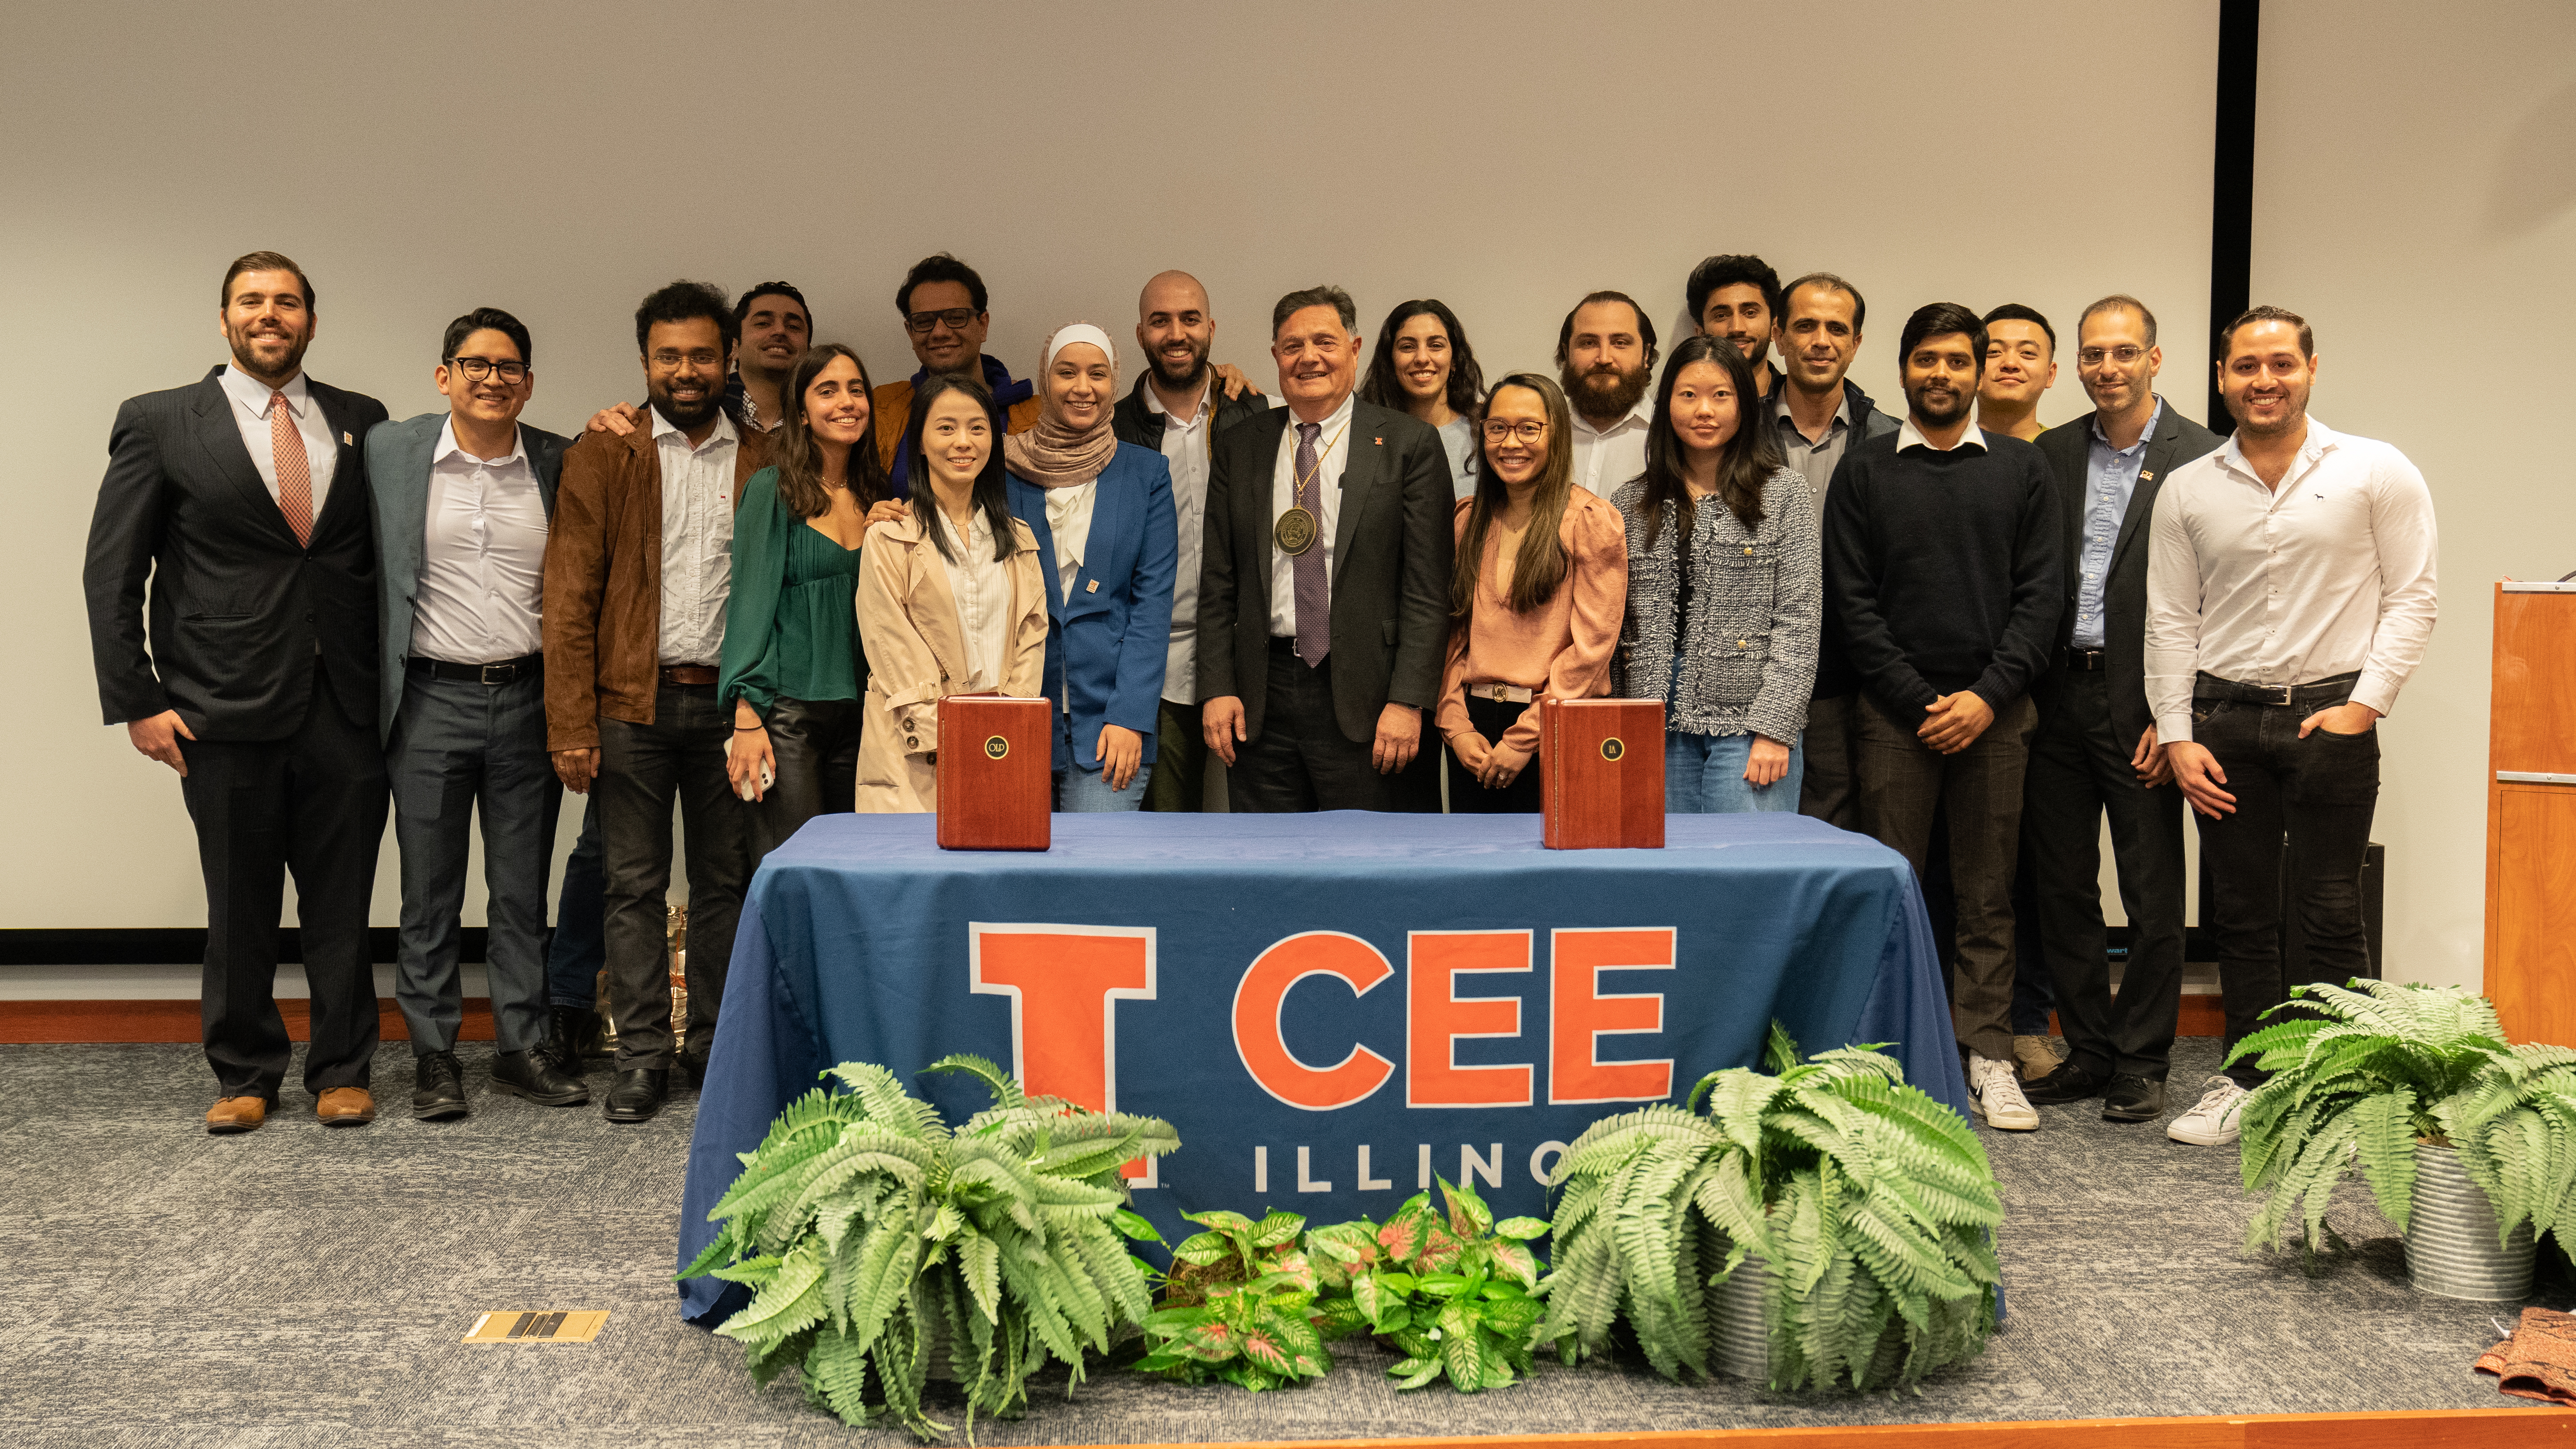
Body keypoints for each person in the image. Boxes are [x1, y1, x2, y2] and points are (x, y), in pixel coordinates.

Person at [85, 252, 391, 1133]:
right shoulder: (159, 423)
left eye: (287, 302)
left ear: (311, 321)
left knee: (342, 904)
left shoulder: (360, 420)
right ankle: (246, 1072)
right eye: (253, 301)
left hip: (343, 705)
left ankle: (342, 1069)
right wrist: (137, 699)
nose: (271, 314)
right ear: (225, 320)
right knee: (240, 902)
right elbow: (113, 571)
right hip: (218, 708)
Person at [2146, 305, 2438, 1148]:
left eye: (2281, 364)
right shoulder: (2191, 487)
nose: (2263, 380)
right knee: (2239, 914)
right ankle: (2249, 1077)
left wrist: (2365, 706)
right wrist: (2176, 732)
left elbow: (2412, 595)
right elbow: (2169, 618)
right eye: (2246, 366)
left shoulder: (2375, 470)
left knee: (2329, 908)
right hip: (2223, 721)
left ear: (2312, 369)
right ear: (2221, 375)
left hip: (2332, 715)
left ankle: (2347, 1092)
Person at [1823, 302, 2062, 1133]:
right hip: (1895, 716)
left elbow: (2042, 600)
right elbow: (1850, 601)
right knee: (1895, 886)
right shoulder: (1865, 471)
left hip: (1996, 714)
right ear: (1902, 371)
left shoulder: (2022, 470)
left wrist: (1984, 697)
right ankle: (1891, 1058)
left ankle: (1988, 1056)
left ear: (1978, 371)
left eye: (1958, 362)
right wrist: (1920, 699)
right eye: (1927, 361)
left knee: (1990, 894)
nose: (1941, 376)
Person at [544, 280, 771, 1124]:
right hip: (629, 707)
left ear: (729, 360)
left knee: (725, 881)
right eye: (669, 356)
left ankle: (709, 1044)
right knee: (631, 885)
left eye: (703, 355)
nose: (686, 370)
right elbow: (569, 594)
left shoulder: (764, 459)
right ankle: (639, 1056)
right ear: (645, 361)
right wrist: (570, 722)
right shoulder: (605, 453)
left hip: (728, 708)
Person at [366, 307, 586, 1120]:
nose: (492, 379)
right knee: (428, 893)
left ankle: (521, 1048)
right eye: (474, 364)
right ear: (444, 376)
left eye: (508, 367)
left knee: (521, 892)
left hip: (528, 699)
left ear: (528, 382)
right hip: (427, 699)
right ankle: (434, 1058)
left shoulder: (559, 462)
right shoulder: (394, 451)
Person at [2014, 295, 2221, 1126]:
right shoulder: (2052, 452)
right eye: (2094, 354)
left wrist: (2174, 717)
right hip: (2056, 694)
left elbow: (2218, 602)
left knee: (2150, 890)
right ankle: (2090, 1049)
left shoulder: (2204, 454)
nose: (2108, 368)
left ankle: (2142, 1060)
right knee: (2061, 885)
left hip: (2144, 703)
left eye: (2123, 353)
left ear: (2154, 359)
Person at [1198, 285, 1453, 812]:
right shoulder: (1240, 447)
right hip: (1260, 697)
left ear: (1355, 349)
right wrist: (1217, 686)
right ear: (1275, 357)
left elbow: (1428, 591)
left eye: (1325, 342)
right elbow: (1219, 581)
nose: (1308, 357)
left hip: (1369, 694)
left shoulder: (1408, 444)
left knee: (1370, 868)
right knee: (1270, 864)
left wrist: (1408, 700)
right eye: (1292, 346)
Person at [1613, 335, 1819, 812]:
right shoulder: (1629, 502)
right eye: (1688, 395)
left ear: (1745, 405)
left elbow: (1800, 619)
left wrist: (1775, 727)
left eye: (1721, 395)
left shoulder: (1783, 494)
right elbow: (1616, 625)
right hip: (1653, 718)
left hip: (1750, 719)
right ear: (1667, 405)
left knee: (1748, 869)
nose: (1704, 409)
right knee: (1667, 870)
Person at [720, 344, 908, 858]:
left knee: (854, 868)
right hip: (788, 717)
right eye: (827, 391)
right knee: (795, 867)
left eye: (855, 390)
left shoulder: (878, 493)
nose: (846, 402)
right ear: (802, 412)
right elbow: (750, 607)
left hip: (866, 717)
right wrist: (747, 715)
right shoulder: (773, 488)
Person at [1110, 270, 1273, 813]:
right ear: (1140, 334)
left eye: (1189, 319)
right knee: (1166, 826)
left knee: (1261, 821)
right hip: (1158, 658)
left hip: (1252, 654)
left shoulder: (1260, 413)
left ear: (1211, 327)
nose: (1176, 333)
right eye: (1160, 321)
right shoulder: (1111, 433)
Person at [854, 374, 1049, 811]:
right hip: (917, 753)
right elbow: (891, 648)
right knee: (914, 876)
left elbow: (1031, 639)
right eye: (946, 427)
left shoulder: (1019, 541)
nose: (963, 441)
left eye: (977, 428)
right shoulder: (889, 538)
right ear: (919, 442)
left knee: (993, 875)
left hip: (1000, 748)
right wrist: (956, 735)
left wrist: (1004, 728)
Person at [1005, 326, 1178, 810]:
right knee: (1015, 878)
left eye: (1097, 374)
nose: (1083, 387)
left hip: (1109, 723)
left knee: (1095, 878)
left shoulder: (1146, 473)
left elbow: (1152, 605)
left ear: (1114, 382)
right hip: (1015, 715)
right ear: (1045, 378)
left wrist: (1130, 716)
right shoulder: (1001, 467)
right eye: (1067, 372)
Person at [1435, 374, 1625, 811]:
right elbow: (1451, 640)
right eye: (1497, 427)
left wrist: (1526, 738)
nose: (1511, 442)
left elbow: (1592, 649)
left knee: (1553, 875)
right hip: (1474, 730)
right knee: (1475, 870)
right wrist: (1456, 725)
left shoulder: (1590, 521)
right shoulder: (1467, 522)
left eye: (1529, 427)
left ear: (1556, 434)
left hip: (1558, 724)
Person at [1770, 273, 1899, 831]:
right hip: (1761, 669)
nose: (1821, 340)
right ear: (1778, 336)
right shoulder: (1735, 436)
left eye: (1836, 328)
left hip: (1864, 673)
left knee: (1856, 826)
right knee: (1770, 828)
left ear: (1856, 343)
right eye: (1805, 325)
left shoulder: (1893, 441)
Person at [872, 253, 1043, 492]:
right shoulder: (879, 409)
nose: (940, 332)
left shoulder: (1039, 417)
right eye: (924, 321)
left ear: (982, 325)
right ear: (911, 333)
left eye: (955, 318)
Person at [1359, 299, 1487, 500]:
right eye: (1408, 347)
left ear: (1454, 360)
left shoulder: (1485, 433)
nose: (1422, 358)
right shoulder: (1363, 436)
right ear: (1390, 359)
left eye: (1436, 346)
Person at [1557, 291, 1659, 499]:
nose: (1604, 358)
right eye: (1588, 343)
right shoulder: (1541, 435)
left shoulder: (1673, 434)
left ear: (1646, 354)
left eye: (1620, 343)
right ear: (1567, 353)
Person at [1683, 254, 1785, 398]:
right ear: (1700, 333)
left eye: (1750, 313)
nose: (1737, 328)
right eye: (1721, 316)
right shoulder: (1681, 411)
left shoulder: (1802, 405)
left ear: (1774, 328)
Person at [728, 282, 812, 433]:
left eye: (793, 326)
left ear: (809, 351)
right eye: (763, 323)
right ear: (734, 348)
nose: (780, 331)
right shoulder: (707, 409)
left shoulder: (826, 417)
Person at [1977, 303, 2058, 442]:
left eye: (2028, 353)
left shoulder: (2068, 453)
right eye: (1994, 352)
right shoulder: (1942, 447)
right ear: (1973, 370)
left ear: (2050, 375)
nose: (2010, 364)